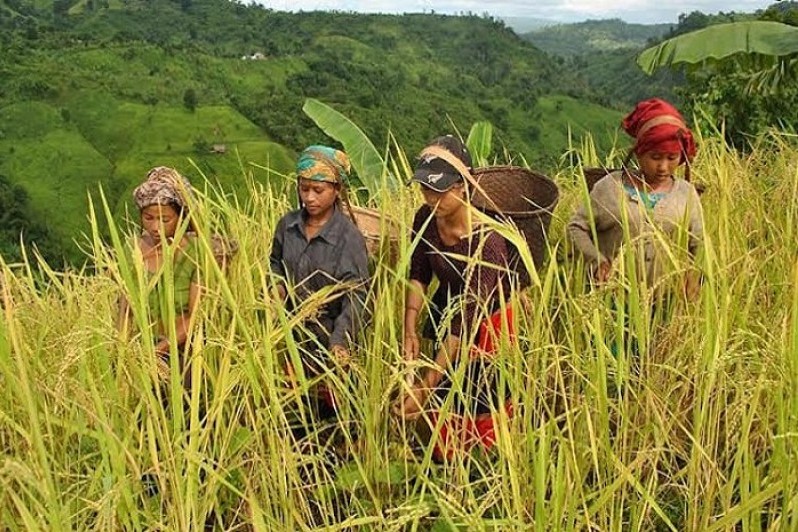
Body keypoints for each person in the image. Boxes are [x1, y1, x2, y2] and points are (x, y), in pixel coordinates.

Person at [397, 135, 514, 461]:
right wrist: (410, 327)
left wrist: (423, 386)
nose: (431, 198)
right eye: (425, 189)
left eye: (439, 189)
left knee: (478, 393)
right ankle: (444, 458)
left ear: (463, 186)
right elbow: (418, 271)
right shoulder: (424, 218)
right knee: (444, 390)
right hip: (446, 306)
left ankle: (482, 464)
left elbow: (467, 322)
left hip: (486, 323)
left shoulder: (488, 242)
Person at [269, 145, 370, 448]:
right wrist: (277, 289)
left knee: (331, 427)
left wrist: (340, 344)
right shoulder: (287, 227)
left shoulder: (348, 238)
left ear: (336, 190)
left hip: (329, 342)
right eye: (304, 189)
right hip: (292, 338)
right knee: (294, 422)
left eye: (318, 190)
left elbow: (356, 296)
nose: (309, 197)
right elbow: (274, 263)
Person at [568, 98, 704, 295]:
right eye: (655, 157)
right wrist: (596, 261)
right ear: (639, 154)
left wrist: (694, 276)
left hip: (666, 302)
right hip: (611, 298)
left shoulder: (686, 194)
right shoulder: (609, 188)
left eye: (671, 158)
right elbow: (576, 227)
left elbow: (698, 244)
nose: (663, 167)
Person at [117, 166, 201, 384]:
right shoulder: (133, 249)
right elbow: (126, 307)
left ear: (181, 216)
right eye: (148, 217)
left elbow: (195, 314)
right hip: (141, 349)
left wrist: (159, 350)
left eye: (165, 220)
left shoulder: (195, 252)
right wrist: (123, 350)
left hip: (184, 354)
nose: (155, 227)